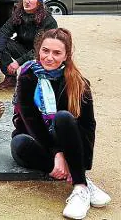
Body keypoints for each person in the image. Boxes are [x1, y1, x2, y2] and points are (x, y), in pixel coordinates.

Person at [11, 28, 110, 219]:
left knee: (63, 117)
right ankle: (78, 175)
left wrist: (80, 161)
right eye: (45, 51)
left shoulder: (79, 83)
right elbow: (30, 122)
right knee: (19, 143)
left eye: (57, 53)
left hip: (69, 139)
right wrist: (56, 153)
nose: (49, 57)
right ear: (38, 51)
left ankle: (80, 186)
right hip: (38, 141)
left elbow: (88, 127)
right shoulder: (27, 77)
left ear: (66, 56)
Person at [0, 0, 57, 90]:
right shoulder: (18, 14)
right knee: (4, 44)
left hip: (42, 54)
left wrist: (17, 62)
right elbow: (3, 33)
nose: (27, 1)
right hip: (24, 48)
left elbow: (40, 48)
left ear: (39, 2)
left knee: (36, 83)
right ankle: (10, 77)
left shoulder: (48, 21)